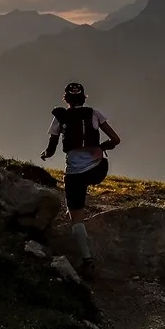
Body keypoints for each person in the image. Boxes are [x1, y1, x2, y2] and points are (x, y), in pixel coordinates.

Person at [40, 82, 120, 281]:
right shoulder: (94, 113)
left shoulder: (60, 116)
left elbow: (51, 148)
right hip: (98, 169)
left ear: (66, 99)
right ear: (84, 98)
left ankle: (87, 260)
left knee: (76, 216)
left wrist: (45, 154)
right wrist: (101, 147)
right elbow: (115, 139)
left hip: (75, 173)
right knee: (83, 189)